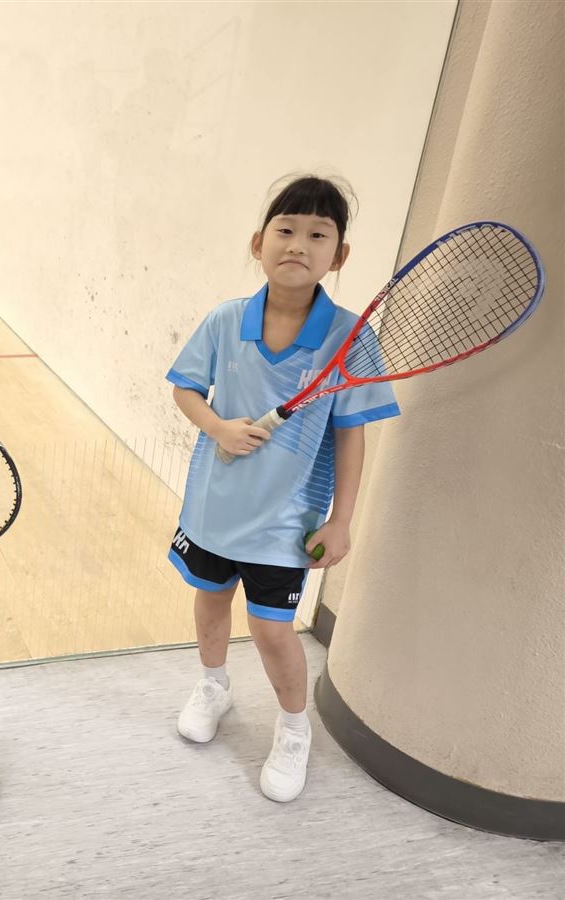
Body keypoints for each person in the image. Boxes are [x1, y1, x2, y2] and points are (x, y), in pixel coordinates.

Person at [166, 175, 400, 802]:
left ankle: (294, 728)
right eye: (286, 230)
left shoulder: (349, 337)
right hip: (213, 508)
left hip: (285, 521)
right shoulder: (225, 320)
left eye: (318, 235)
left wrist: (341, 521)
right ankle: (213, 686)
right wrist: (217, 426)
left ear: (338, 256)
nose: (298, 244)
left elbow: (351, 436)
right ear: (258, 243)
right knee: (210, 600)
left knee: (272, 631)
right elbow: (185, 389)